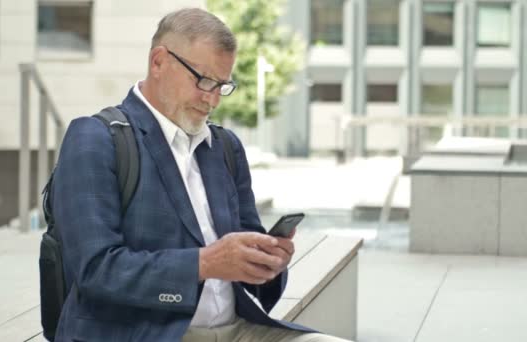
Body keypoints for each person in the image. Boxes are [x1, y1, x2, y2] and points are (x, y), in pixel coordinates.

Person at [52, 7, 351, 342]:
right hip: (140, 334)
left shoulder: (225, 147)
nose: (211, 99)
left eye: (222, 85)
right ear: (159, 62)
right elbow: (95, 271)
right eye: (203, 80)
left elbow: (250, 279)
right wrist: (204, 263)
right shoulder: (95, 138)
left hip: (238, 330)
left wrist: (267, 265)